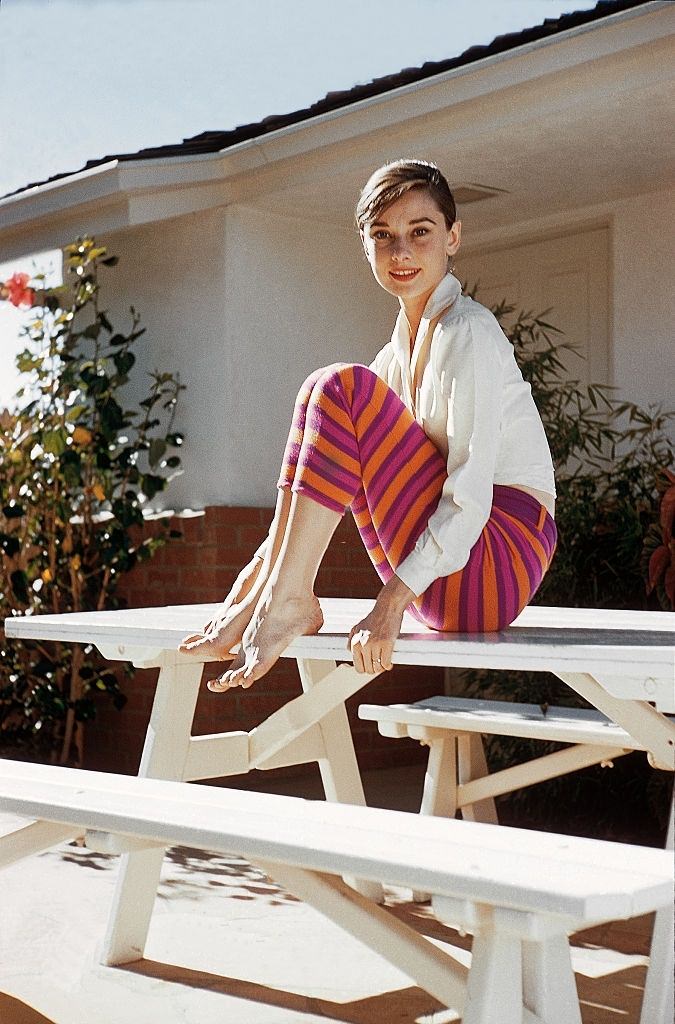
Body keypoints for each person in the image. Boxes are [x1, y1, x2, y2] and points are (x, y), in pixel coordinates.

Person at [180, 159, 557, 690]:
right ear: (366, 246)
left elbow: (471, 497)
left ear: (453, 238)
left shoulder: (468, 332)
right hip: (447, 578)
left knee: (341, 387)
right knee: (322, 391)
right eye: (383, 235)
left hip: (495, 561)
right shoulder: (394, 357)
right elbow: (322, 462)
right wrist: (250, 585)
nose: (400, 251)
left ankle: (285, 601)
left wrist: (388, 608)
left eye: (419, 232)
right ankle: (272, 596)